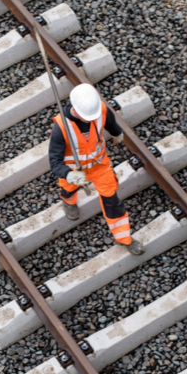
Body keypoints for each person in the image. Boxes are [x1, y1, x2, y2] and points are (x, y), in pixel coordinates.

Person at [48, 84, 145, 255]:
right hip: (74, 171)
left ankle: (124, 238)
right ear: (75, 109)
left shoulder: (99, 110)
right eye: (86, 117)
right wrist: (69, 174)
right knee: (68, 189)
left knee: (112, 201)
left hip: (99, 166)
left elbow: (109, 121)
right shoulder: (61, 128)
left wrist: (116, 133)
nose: (90, 119)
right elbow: (54, 162)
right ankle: (68, 201)